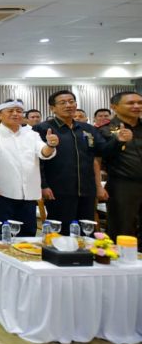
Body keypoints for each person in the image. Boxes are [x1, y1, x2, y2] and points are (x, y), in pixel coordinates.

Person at [34, 90, 117, 234]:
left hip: (86, 188)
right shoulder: (42, 128)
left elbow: (101, 152)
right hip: (57, 189)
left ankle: (84, 256)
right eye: (63, 102)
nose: (68, 105)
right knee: (61, 230)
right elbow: (37, 161)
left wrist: (118, 140)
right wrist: (43, 185)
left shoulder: (87, 129)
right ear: (52, 108)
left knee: (86, 229)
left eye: (71, 101)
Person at [0, 99, 58, 237]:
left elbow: (43, 153)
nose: (15, 114)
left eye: (19, 111)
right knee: (1, 235)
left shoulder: (32, 134)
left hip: (28, 193)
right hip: (2, 192)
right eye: (10, 111)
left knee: (28, 234)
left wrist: (51, 145)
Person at [98, 91, 140, 245]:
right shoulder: (104, 130)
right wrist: (119, 141)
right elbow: (99, 157)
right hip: (122, 185)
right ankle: (123, 267)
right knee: (122, 229)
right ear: (114, 107)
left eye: (139, 103)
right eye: (130, 103)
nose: (136, 106)